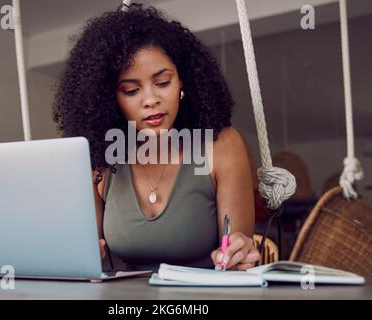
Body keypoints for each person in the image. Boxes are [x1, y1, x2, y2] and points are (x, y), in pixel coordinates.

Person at [53, 3, 260, 271]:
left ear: (183, 83)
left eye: (163, 83)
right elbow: (85, 252)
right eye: (131, 90)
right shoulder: (100, 158)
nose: (151, 100)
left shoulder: (221, 145)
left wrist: (238, 252)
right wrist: (83, 252)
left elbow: (235, 247)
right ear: (110, 99)